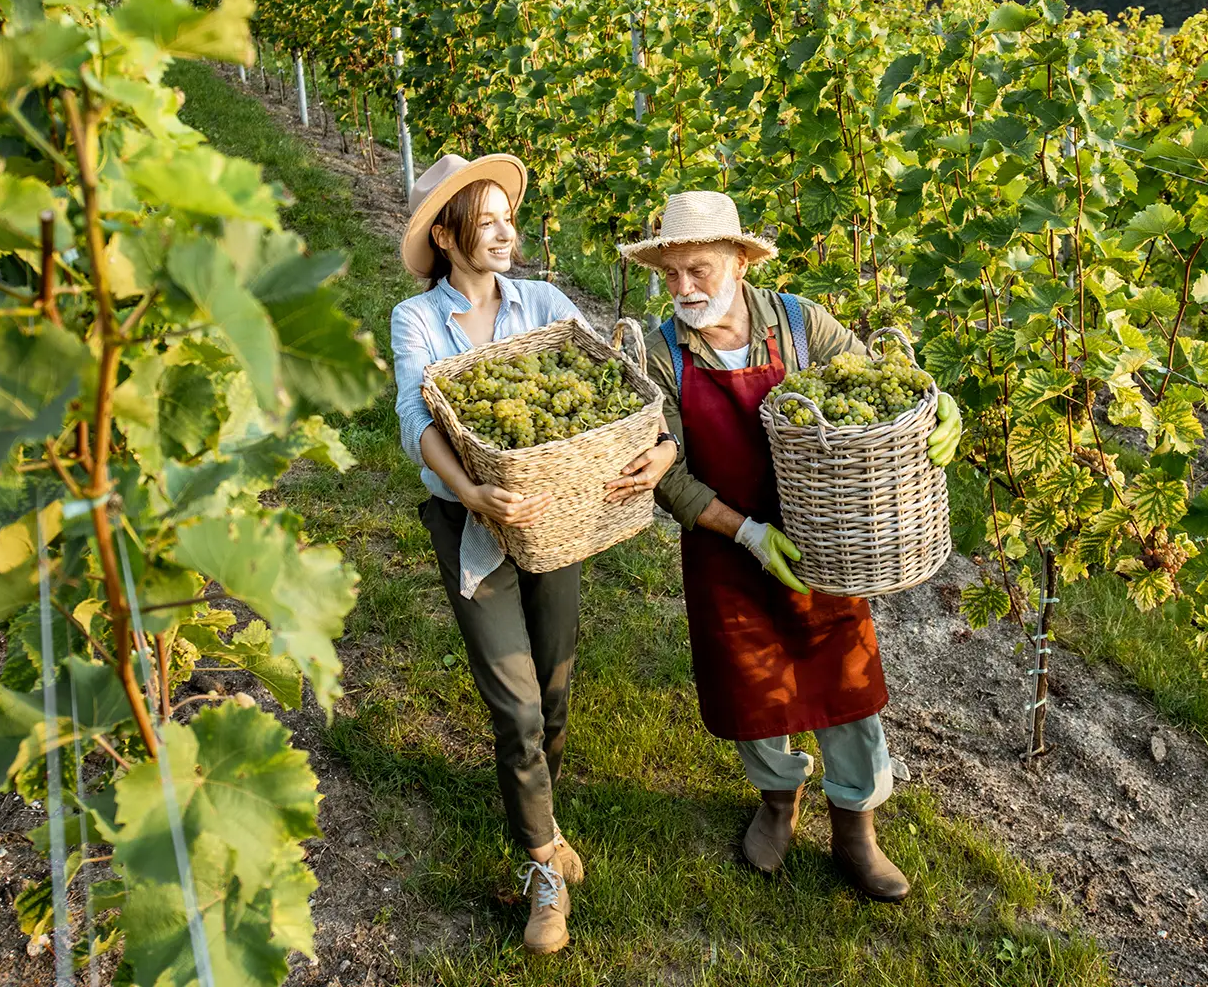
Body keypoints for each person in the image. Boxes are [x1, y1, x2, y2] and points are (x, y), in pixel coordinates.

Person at [619, 190, 961, 901]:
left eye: (701, 270)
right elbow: (669, 474)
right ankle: (778, 800)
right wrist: (744, 533)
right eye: (672, 274)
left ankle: (855, 826)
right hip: (725, 540)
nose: (684, 289)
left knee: (846, 682)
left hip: (822, 540)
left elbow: (877, 383)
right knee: (749, 681)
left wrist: (937, 402)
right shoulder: (660, 356)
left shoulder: (801, 325)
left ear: (740, 263)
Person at [390, 153, 678, 953]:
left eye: (507, 219)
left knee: (553, 690)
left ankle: (538, 808)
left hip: (555, 520)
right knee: (514, 705)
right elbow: (417, 417)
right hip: (475, 529)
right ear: (447, 236)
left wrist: (659, 444)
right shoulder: (416, 321)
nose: (505, 233)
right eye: (487, 223)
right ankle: (543, 863)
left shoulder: (546, 303)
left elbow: (617, 385)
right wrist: (475, 492)